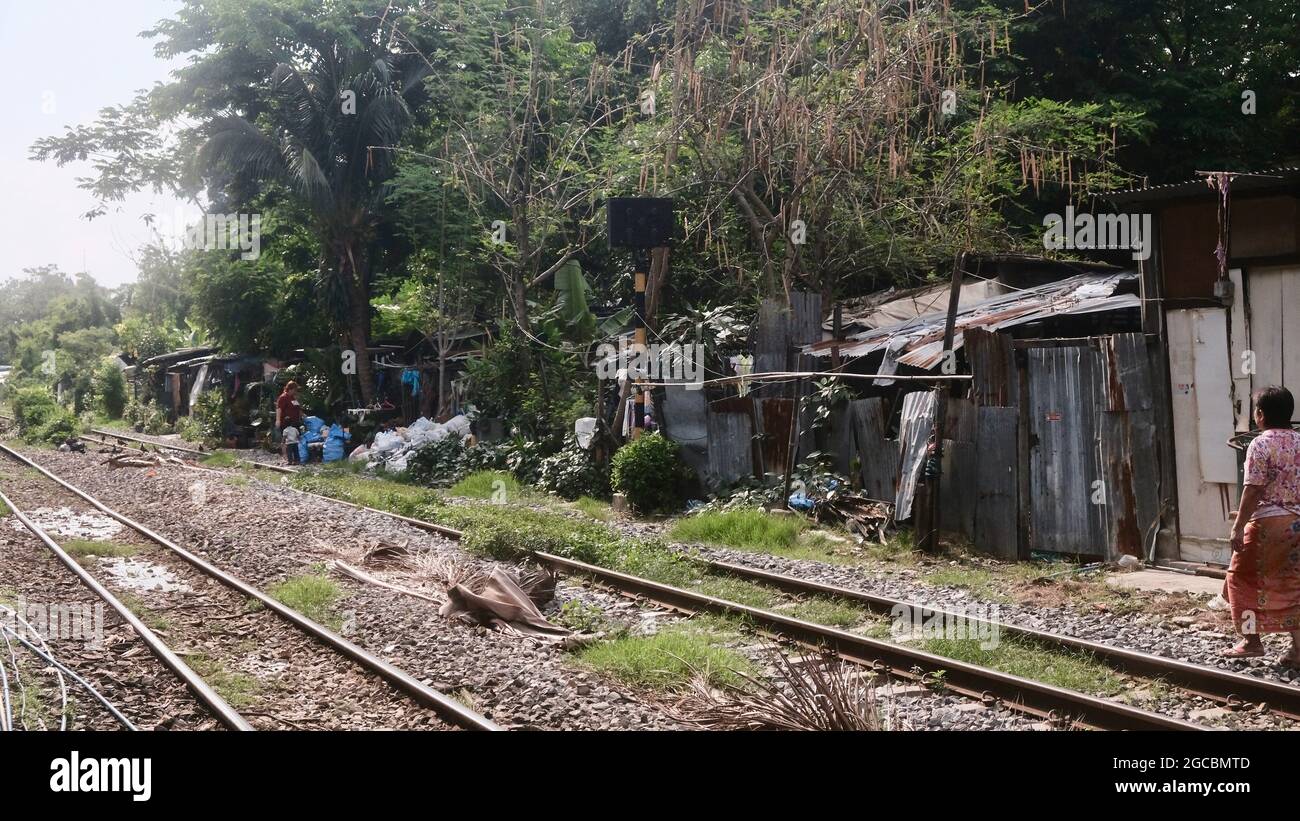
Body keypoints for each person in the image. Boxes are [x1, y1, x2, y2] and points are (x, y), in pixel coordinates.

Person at [1222, 385, 1300, 666]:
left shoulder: (1261, 443)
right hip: (1297, 524)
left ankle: (1251, 642)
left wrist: (1238, 525)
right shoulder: (1299, 441)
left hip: (1269, 524)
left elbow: (1253, 489)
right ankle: (1298, 649)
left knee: (1239, 578)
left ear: (1260, 414)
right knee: (1292, 581)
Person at [275, 381, 304, 464]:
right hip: (286, 423)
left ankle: (296, 458)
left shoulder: (293, 398)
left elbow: (297, 408)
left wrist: (303, 415)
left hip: (295, 423)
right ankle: (287, 457)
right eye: (295, 389)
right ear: (290, 389)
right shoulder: (283, 397)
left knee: (295, 441)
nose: (296, 391)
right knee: (286, 441)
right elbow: (279, 409)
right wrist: (278, 420)